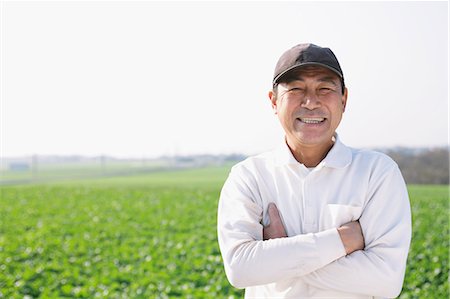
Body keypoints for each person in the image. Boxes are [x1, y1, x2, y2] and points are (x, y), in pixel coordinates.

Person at [217, 43, 411, 298]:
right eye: (296, 89)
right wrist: (342, 241)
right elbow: (241, 269)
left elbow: (386, 281)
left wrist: (277, 256)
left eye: (325, 88)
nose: (311, 102)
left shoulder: (377, 173)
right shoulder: (249, 176)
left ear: (344, 99)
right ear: (274, 101)